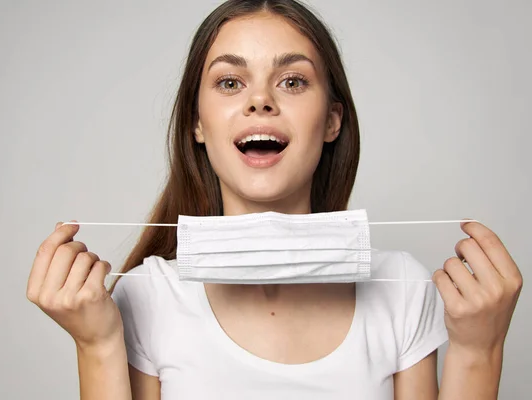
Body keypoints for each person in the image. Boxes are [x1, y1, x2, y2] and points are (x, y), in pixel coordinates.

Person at [26, 1, 523, 399]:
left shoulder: (404, 292)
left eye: (292, 81)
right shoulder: (144, 297)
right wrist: (96, 344)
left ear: (332, 120)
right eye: (229, 82)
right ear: (197, 123)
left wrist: (481, 349)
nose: (260, 100)